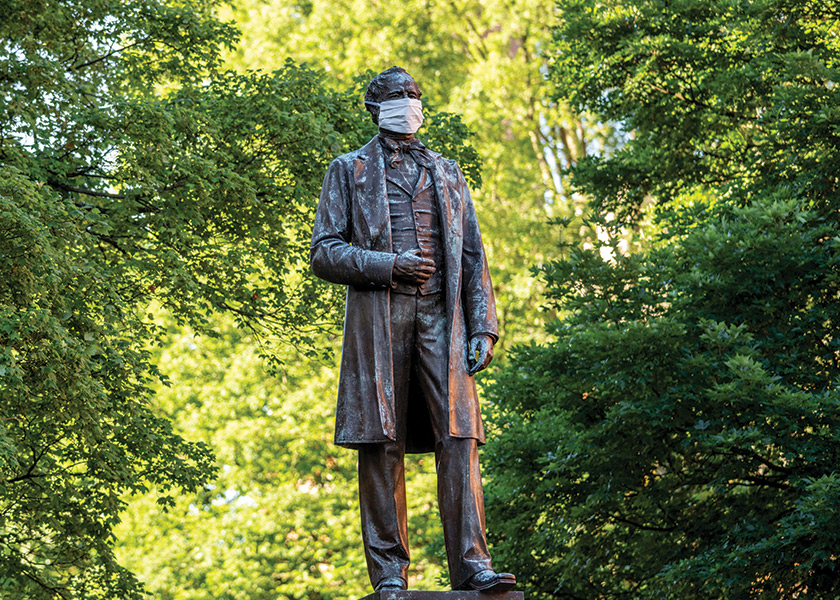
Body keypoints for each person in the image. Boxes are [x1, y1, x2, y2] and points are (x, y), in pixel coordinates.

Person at [310, 66, 515, 593]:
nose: (408, 102)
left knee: (460, 438)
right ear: (374, 107)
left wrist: (483, 326)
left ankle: (473, 567)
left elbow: (472, 253)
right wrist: (387, 264)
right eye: (397, 95)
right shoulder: (348, 170)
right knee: (383, 444)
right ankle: (389, 577)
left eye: (414, 94)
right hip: (381, 319)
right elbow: (324, 252)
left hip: (442, 321)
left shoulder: (447, 172)